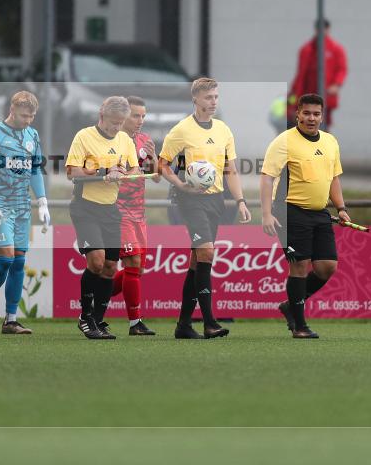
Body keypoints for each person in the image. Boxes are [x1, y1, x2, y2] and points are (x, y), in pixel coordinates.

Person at [158, 78, 251, 340]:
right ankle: (210, 322)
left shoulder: (223, 130)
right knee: (207, 252)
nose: (213, 102)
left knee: (197, 260)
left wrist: (241, 200)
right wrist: (180, 184)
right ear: (196, 99)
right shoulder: (182, 130)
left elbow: (230, 169)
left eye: (216, 97)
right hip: (190, 200)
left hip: (216, 199)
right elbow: (162, 164)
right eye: (209, 97)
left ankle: (183, 325)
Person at [260, 93, 348, 339]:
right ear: (297, 113)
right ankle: (299, 325)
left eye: (316, 114)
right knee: (298, 266)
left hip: (319, 212)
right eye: (306, 113)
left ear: (323, 115)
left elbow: (334, 178)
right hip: (289, 210)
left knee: (326, 267)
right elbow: (267, 178)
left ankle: (291, 306)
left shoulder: (330, 142)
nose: (311, 118)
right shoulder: (284, 141)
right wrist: (266, 214)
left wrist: (340, 207)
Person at [0, 91, 49, 335]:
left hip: (22, 206)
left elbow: (36, 170)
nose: (28, 120)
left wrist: (43, 202)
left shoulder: (32, 135)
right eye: (25, 115)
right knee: (5, 259)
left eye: (32, 116)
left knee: (18, 262)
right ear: (12, 110)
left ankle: (11, 320)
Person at [67, 96, 141, 340]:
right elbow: (72, 172)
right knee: (96, 263)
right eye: (113, 123)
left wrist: (123, 173)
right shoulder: (84, 136)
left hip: (110, 209)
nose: (117, 128)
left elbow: (135, 169)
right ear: (102, 115)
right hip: (85, 207)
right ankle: (85, 317)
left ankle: (98, 319)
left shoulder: (124, 140)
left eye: (121, 123)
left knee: (110, 267)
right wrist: (102, 173)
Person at [111, 96, 159, 336]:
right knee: (132, 264)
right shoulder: (114, 140)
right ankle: (135, 322)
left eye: (143, 116)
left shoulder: (145, 140)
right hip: (119, 212)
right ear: (124, 116)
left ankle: (93, 299)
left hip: (140, 213)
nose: (140, 120)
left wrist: (153, 158)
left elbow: (157, 176)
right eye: (135, 115)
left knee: (137, 271)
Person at [288, 19, 348, 128]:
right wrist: (293, 96)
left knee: (322, 123)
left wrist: (336, 84)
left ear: (328, 30)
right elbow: (301, 75)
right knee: (305, 123)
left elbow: (342, 69)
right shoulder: (307, 49)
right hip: (307, 94)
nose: (322, 32)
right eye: (319, 29)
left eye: (324, 29)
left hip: (325, 95)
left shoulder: (335, 49)